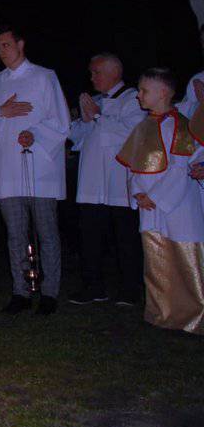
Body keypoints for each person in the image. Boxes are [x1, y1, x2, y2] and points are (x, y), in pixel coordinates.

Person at [0, 25, 70, 316]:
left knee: (46, 232)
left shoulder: (44, 77)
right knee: (15, 234)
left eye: (6, 45)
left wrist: (34, 134)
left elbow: (60, 121)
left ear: (20, 44)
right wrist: (0, 112)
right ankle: (21, 291)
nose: (1, 51)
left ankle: (49, 292)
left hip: (41, 168)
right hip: (8, 169)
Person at [117, 68, 204, 334]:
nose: (139, 95)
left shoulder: (181, 125)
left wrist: (154, 197)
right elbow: (134, 166)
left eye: (144, 90)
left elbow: (179, 167)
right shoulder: (143, 126)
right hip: (149, 206)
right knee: (156, 259)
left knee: (184, 258)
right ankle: (160, 313)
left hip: (177, 204)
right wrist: (137, 193)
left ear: (163, 93)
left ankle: (193, 316)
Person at [67, 53, 145, 306]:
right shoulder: (96, 101)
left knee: (125, 238)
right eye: (91, 73)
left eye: (96, 72)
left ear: (114, 73)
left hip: (118, 181)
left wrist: (99, 117)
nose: (92, 77)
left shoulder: (134, 99)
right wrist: (84, 121)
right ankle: (93, 286)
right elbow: (77, 138)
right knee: (90, 237)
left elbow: (132, 133)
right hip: (91, 183)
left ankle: (130, 289)